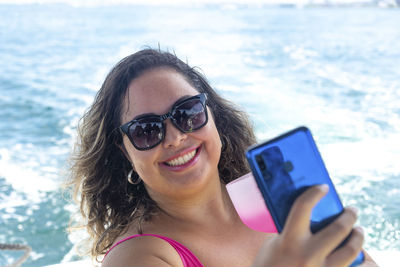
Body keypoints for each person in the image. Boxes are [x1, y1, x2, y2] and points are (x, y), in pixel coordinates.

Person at [68, 48, 377, 266]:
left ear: (211, 115)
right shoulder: (137, 258)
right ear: (125, 152)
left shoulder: (278, 198)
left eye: (188, 113)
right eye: (146, 130)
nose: (176, 137)